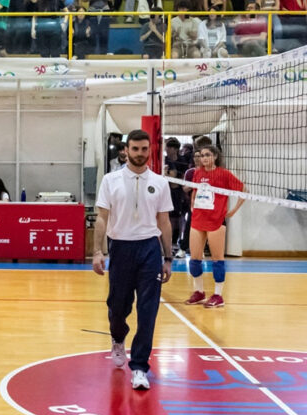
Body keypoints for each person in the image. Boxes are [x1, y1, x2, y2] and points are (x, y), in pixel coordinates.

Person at [92, 130, 172, 391]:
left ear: (150, 150)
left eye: (144, 149)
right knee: (118, 307)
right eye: (135, 149)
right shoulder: (110, 180)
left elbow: (164, 221)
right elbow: (102, 216)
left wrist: (167, 257)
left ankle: (139, 367)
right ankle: (117, 337)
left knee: (148, 311)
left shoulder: (160, 182)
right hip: (121, 248)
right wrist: (97, 251)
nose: (140, 153)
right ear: (126, 150)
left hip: (149, 248)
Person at [185, 145, 244, 308]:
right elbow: (196, 190)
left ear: (215, 157)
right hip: (198, 219)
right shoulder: (197, 172)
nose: (204, 158)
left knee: (217, 260)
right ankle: (199, 292)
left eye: (207, 155)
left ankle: (218, 295)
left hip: (216, 221)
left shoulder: (224, 174)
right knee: (194, 260)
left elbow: (243, 190)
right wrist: (192, 203)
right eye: (202, 155)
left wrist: (232, 212)